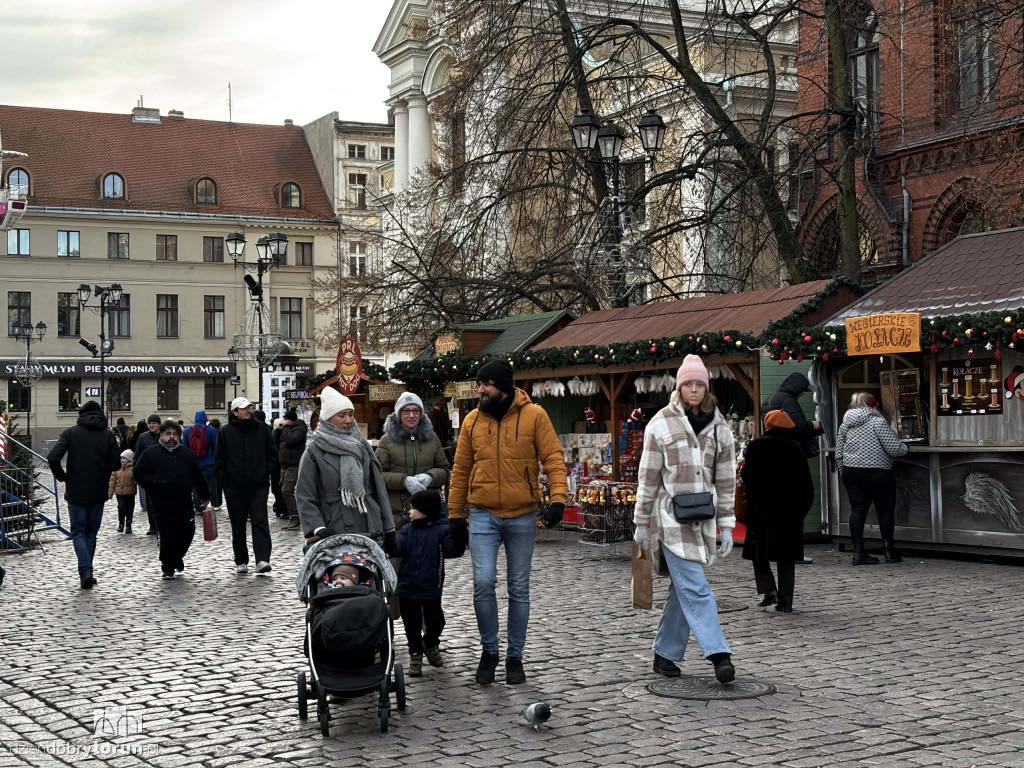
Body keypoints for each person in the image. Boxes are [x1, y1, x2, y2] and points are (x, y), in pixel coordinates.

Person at [448, 360, 567, 686]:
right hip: (483, 513)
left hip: (523, 514)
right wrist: (455, 516)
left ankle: (515, 657)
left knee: (518, 588)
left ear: (502, 385)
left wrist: (558, 499)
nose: (480, 389)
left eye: (485, 383)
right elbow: (459, 472)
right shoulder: (472, 421)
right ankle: (490, 651)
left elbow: (554, 459)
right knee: (483, 582)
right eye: (479, 383)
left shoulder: (535, 416)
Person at [633, 354, 738, 684]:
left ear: (706, 387)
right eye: (688, 384)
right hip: (670, 520)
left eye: (699, 384)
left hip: (703, 520)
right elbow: (648, 477)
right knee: (696, 587)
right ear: (678, 387)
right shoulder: (660, 424)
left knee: (683, 591)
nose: (693, 389)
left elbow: (725, 479)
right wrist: (640, 522)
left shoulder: (720, 428)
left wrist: (726, 524)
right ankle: (719, 654)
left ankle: (665, 654)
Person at [296, 387, 396, 554]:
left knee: (369, 577)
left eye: (350, 414)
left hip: (368, 524)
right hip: (333, 527)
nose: (348, 420)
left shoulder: (362, 446)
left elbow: (378, 489)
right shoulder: (314, 451)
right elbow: (305, 495)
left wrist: (389, 529)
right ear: (328, 419)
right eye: (341, 415)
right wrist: (317, 528)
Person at [740, 410, 814, 612]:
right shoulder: (795, 448)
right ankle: (786, 602)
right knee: (786, 559)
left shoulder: (755, 447)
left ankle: (768, 589)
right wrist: (800, 512)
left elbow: (746, 476)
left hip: (762, 510)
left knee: (758, 553)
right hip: (789, 513)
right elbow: (807, 486)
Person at [46, 400, 121, 589]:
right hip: (98, 491)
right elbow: (116, 465)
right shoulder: (107, 436)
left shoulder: (71, 433)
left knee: (78, 532)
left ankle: (85, 571)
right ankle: (88, 572)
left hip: (76, 490)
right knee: (91, 533)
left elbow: (53, 457)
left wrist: (62, 477)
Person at [396, 489, 465, 677]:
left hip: (431, 586)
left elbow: (452, 551)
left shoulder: (442, 530)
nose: (409, 512)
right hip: (406, 587)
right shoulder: (407, 529)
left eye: (413, 508)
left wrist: (460, 536)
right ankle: (415, 658)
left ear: (425, 511)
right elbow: (398, 548)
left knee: (437, 621)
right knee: (411, 625)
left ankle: (429, 642)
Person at [836, 392, 908, 565]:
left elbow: (838, 453)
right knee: (885, 510)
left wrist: (844, 472)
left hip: (852, 472)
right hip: (878, 473)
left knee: (858, 510)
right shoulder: (877, 422)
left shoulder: (845, 424)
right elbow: (894, 449)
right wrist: (905, 447)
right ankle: (889, 551)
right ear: (874, 406)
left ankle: (858, 552)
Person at [134, 420, 211, 579]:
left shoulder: (187, 454)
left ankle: (177, 556)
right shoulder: (150, 453)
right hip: (160, 500)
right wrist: (153, 483)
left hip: (183, 500)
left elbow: (198, 476)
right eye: (168, 434)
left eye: (175, 434)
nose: (171, 437)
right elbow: (139, 473)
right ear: (161, 435)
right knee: (167, 534)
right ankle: (167, 564)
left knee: (187, 531)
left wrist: (205, 496)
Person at [215, 397, 278, 574]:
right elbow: (219, 460)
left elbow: (272, 454)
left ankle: (263, 559)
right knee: (238, 523)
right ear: (235, 412)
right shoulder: (226, 432)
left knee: (260, 521)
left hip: (258, 484)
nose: (248, 410)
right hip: (234, 486)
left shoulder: (262, 429)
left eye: (249, 407)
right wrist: (219, 487)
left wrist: (267, 471)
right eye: (243, 408)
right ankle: (241, 560)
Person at [376, 392, 451, 531]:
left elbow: (445, 470)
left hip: (429, 513)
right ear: (399, 413)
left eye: (416, 411)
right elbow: (377, 474)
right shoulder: (387, 441)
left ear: (421, 413)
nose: (412, 415)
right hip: (398, 515)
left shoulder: (432, 438)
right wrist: (403, 480)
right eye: (406, 411)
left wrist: (430, 477)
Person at [184, 411, 218, 517]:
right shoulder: (211, 430)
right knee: (209, 483)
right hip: (209, 462)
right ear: (205, 418)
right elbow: (216, 445)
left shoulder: (188, 430)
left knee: (195, 485)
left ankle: (197, 506)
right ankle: (208, 503)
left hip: (193, 463)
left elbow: (184, 447)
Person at [133, 414, 162, 535]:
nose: (151, 425)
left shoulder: (165, 435)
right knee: (150, 502)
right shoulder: (143, 437)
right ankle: (153, 526)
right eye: (149, 423)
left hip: (163, 473)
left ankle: (163, 524)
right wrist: (136, 471)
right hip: (149, 475)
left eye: (154, 423)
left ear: (159, 424)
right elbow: (137, 455)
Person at [279, 408, 308, 530]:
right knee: (283, 490)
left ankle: (296, 516)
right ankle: (293, 515)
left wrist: (285, 428)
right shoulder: (289, 430)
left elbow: (290, 441)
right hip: (285, 465)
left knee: (287, 490)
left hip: (293, 465)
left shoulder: (299, 430)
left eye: (286, 420)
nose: (284, 422)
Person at [108, 449, 138, 534]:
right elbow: (112, 481)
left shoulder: (133, 469)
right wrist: (110, 493)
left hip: (130, 493)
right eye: (121, 458)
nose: (122, 460)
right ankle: (121, 523)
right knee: (121, 507)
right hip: (119, 493)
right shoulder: (116, 469)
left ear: (130, 459)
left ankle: (128, 524)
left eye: (125, 458)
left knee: (130, 509)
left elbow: (137, 481)